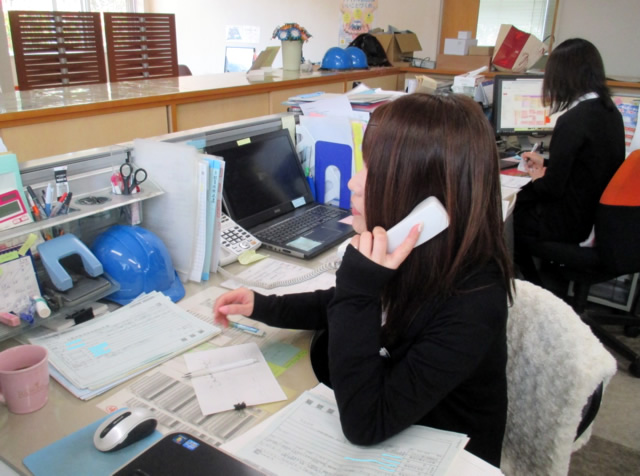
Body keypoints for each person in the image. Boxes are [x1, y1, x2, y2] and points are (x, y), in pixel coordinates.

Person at [214, 93, 513, 466]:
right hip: (401, 426)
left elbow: (364, 423)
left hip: (446, 458)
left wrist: (358, 284)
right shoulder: (419, 254)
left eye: (373, 170)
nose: (355, 183)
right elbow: (343, 305)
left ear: (425, 197)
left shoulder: (473, 300)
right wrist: (264, 305)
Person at [514, 38, 625, 283]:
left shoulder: (574, 119)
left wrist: (532, 182)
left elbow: (552, 188)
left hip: (572, 223)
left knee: (513, 216)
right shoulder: (609, 111)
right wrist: (547, 164)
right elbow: (588, 166)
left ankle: (538, 290)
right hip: (595, 218)